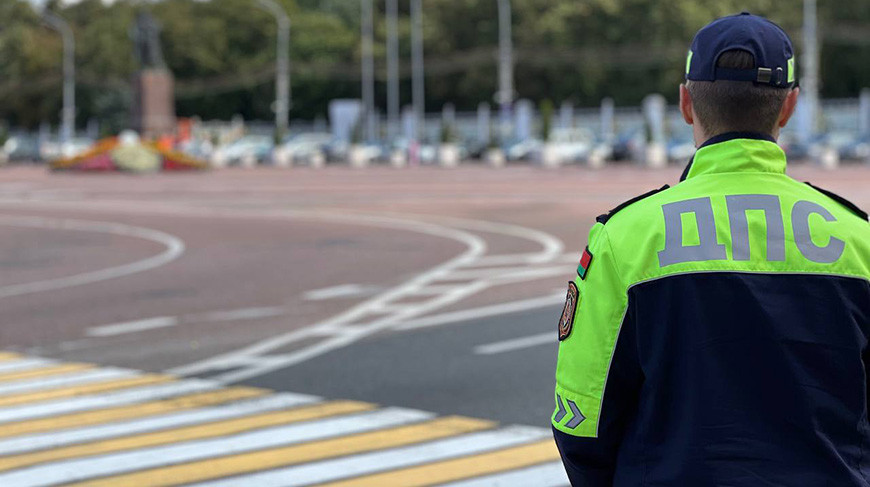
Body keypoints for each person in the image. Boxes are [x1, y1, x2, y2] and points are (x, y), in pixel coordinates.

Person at [552, 12, 870, 486]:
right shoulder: (858, 239)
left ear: (686, 102)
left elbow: (580, 424)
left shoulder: (624, 237)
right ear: (789, 105)